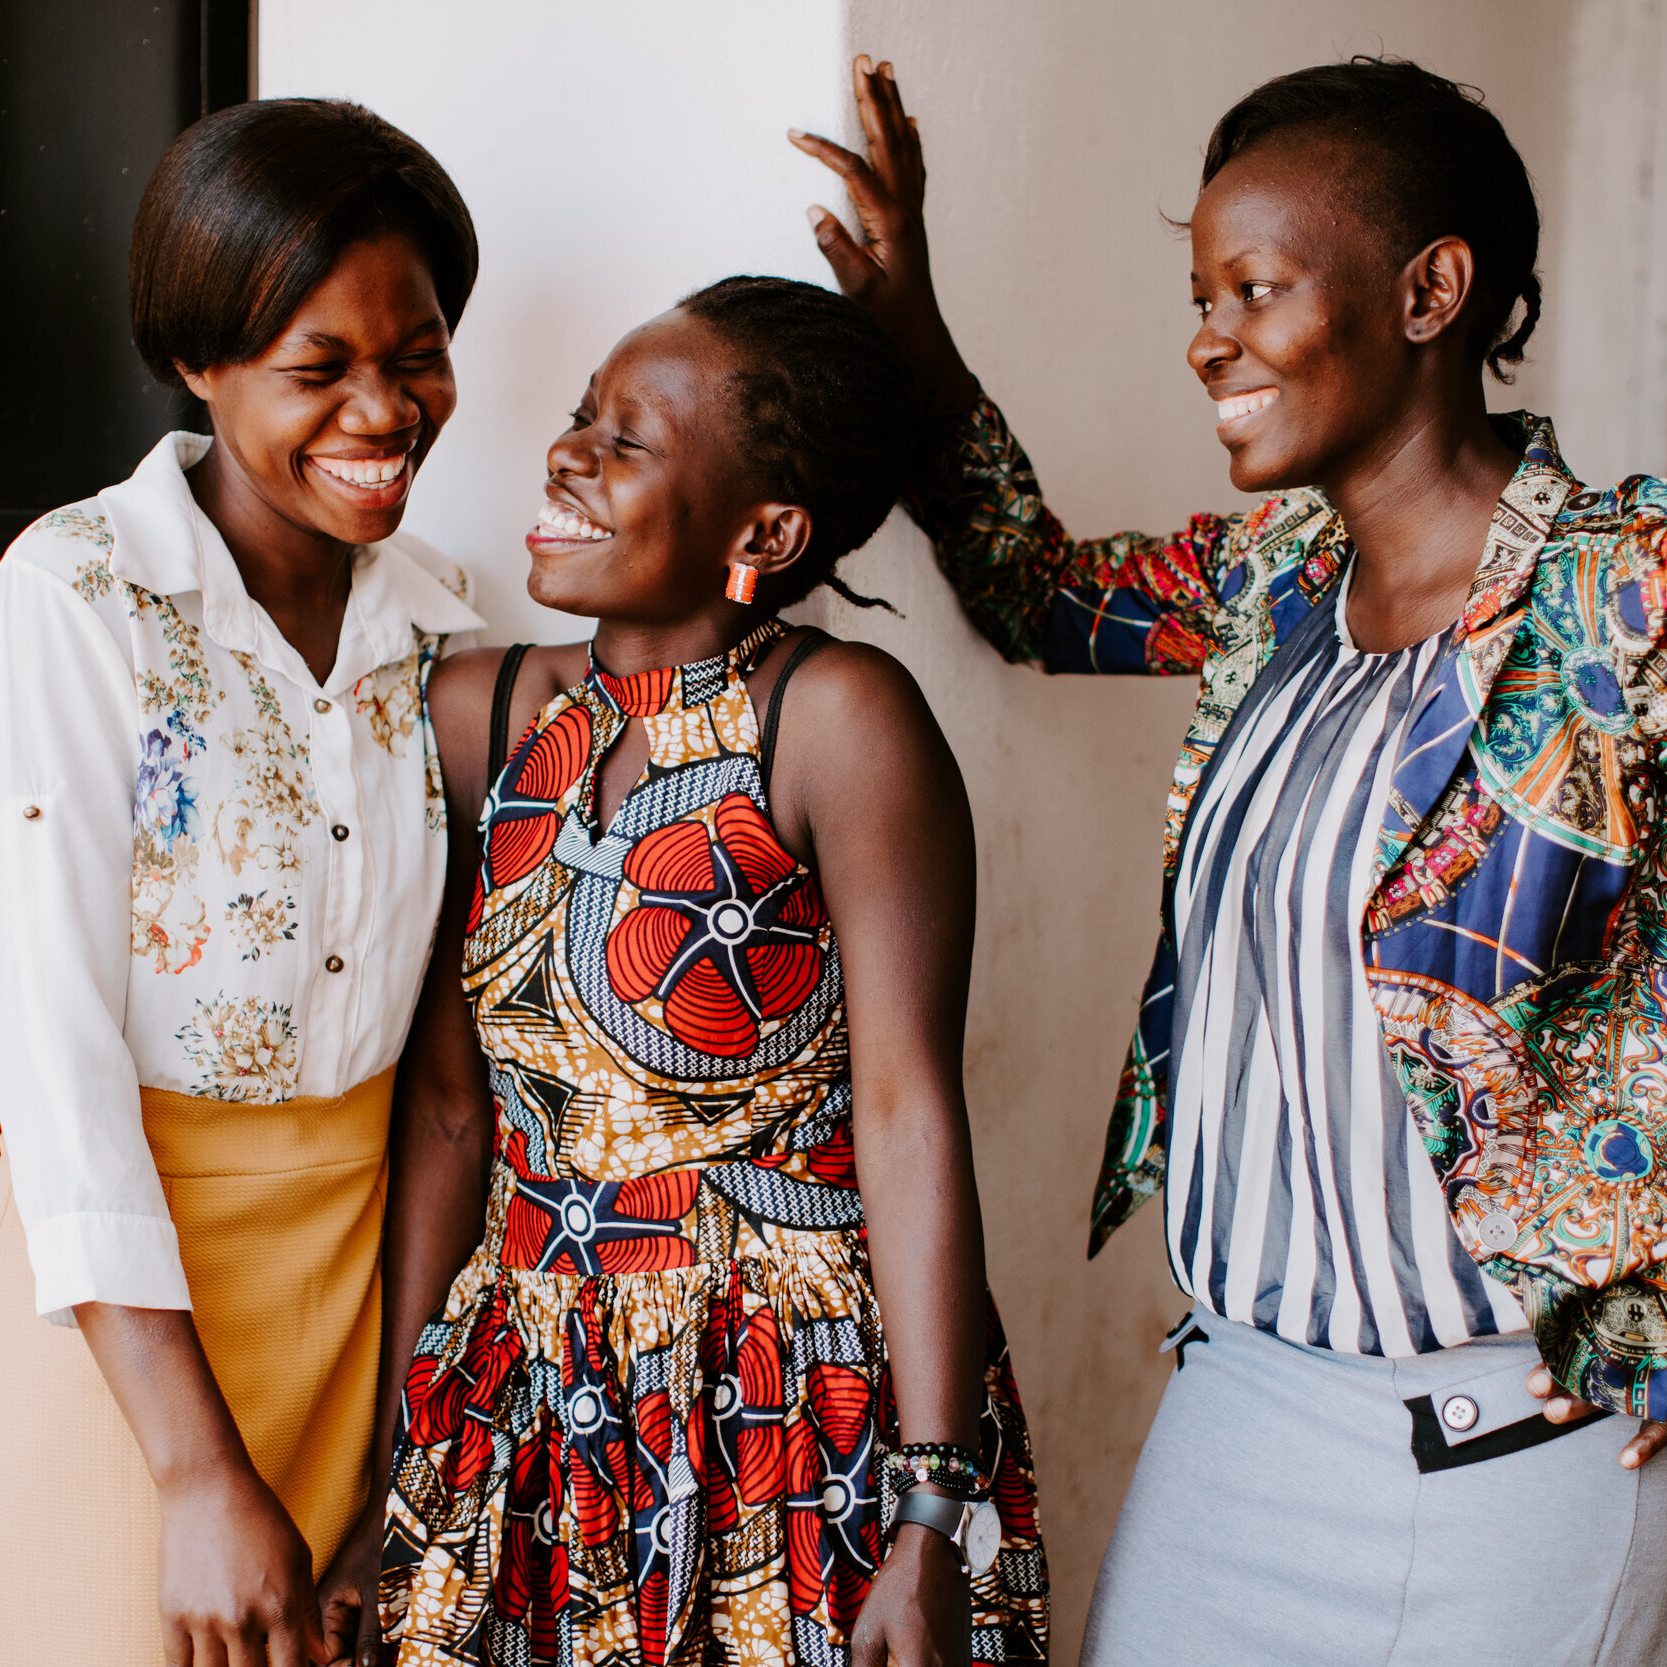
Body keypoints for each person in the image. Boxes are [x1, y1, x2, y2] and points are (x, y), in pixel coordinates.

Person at [793, 54, 1667, 1665]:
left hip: (1523, 1451)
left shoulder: (1628, 605)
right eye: (1200, 293)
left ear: (1430, 290)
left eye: (1252, 288)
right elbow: (1033, 591)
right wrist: (915, 341)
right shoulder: (1276, 582)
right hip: (1244, 1407)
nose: (1209, 337)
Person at [357, 275, 1048, 1667]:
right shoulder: (473, 714)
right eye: (577, 423)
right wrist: (391, 1467)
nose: (567, 458)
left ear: (765, 530)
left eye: (625, 440)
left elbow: (908, 1114)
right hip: (528, 1393)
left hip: (786, 1411)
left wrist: (928, 1509)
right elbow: (448, 1113)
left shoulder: (834, 721)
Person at [0, 99, 486, 1667]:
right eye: (320, 369)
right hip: (115, 1325)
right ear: (198, 360)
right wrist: (191, 1470)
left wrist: (403, 1451)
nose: (384, 410)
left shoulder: (448, 629)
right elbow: (55, 1061)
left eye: (419, 352)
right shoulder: (76, 598)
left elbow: (452, 1070)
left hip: (361, 1310)